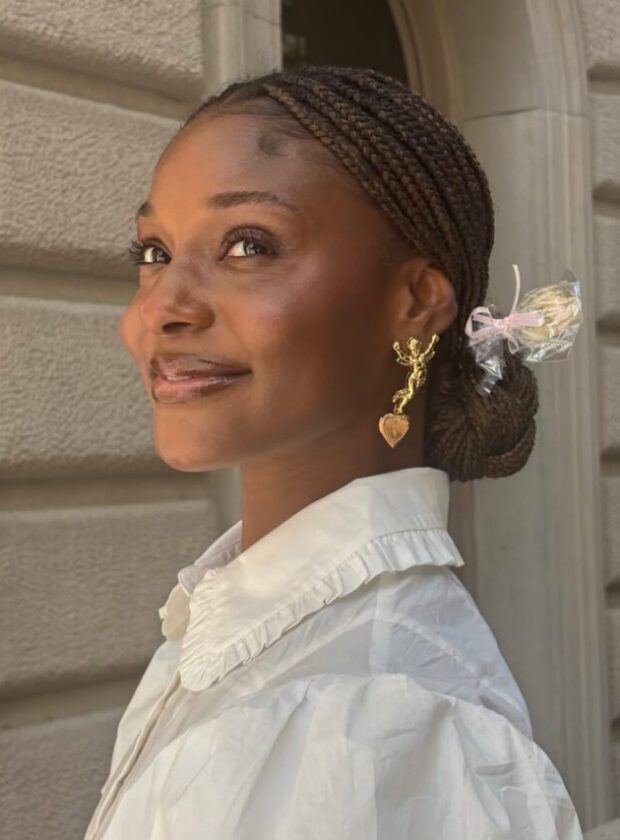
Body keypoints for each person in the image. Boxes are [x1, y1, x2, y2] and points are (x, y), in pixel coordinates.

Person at [84, 65, 584, 839]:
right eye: (153, 251)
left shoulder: (373, 724)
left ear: (416, 301)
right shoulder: (235, 643)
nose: (162, 308)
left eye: (247, 245)